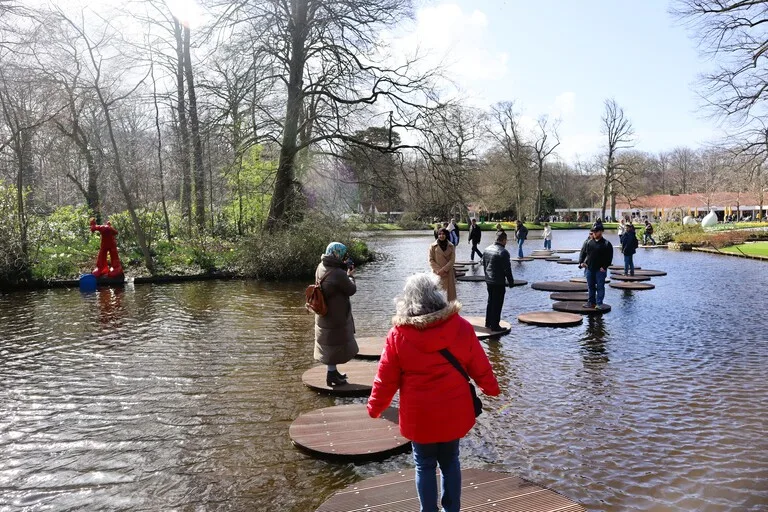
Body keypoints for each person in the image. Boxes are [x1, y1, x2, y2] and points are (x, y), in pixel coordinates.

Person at [367, 273, 500, 512]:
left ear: (406, 300)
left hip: (420, 417)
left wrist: (375, 408)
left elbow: (385, 380)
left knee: (424, 465)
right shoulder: (461, 326)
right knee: (451, 461)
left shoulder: (398, 335)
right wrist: (491, 388)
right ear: (437, 295)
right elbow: (480, 365)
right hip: (453, 412)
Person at [314, 242, 359, 386]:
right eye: (342, 254)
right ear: (337, 254)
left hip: (324, 313)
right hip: (335, 315)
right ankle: (331, 377)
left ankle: (333, 372)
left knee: (329, 344)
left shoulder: (321, 267)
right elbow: (351, 289)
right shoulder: (338, 273)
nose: (344, 257)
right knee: (334, 344)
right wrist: (350, 276)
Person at [482, 231, 515, 331]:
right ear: (504, 240)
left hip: (488, 280)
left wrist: (486, 276)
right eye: (506, 240)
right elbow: (507, 269)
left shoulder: (486, 249)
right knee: (497, 303)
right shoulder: (503, 252)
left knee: (490, 301)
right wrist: (511, 282)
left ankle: (488, 322)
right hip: (498, 281)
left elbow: (484, 264)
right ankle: (495, 325)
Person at [578, 222, 613, 310]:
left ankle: (599, 303)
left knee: (600, 287)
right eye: (593, 231)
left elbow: (609, 258)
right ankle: (591, 302)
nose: (593, 233)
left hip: (600, 270)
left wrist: (604, 267)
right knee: (590, 286)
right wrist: (581, 262)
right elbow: (583, 253)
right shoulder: (589, 242)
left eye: (595, 231)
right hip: (590, 268)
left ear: (601, 232)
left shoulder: (606, 244)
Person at [429, 227, 457, 301]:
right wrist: (439, 270)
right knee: (437, 295)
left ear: (446, 235)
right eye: (440, 234)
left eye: (443, 234)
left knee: (449, 297)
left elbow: (452, 260)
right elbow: (430, 260)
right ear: (437, 235)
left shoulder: (451, 246)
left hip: (448, 273)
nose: (441, 236)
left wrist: (444, 269)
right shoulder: (432, 246)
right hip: (437, 274)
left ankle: (450, 310)